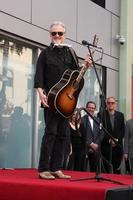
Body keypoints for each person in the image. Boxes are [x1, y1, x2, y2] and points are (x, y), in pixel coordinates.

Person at [34, 21, 92, 180]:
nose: (57, 36)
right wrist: (40, 92)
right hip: (51, 100)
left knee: (63, 134)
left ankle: (56, 168)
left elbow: (76, 76)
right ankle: (43, 168)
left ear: (64, 35)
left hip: (67, 102)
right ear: (50, 35)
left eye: (60, 33)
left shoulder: (71, 53)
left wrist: (85, 67)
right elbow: (39, 74)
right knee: (50, 133)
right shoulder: (45, 53)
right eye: (54, 33)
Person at [101, 97, 125, 174]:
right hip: (106, 146)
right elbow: (101, 130)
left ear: (115, 104)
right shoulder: (102, 114)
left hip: (117, 146)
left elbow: (122, 130)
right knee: (106, 168)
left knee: (116, 169)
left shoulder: (120, 115)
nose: (110, 104)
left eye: (112, 103)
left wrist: (117, 139)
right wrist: (109, 139)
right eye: (109, 103)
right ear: (106, 104)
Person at [81, 101, 103, 172]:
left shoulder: (98, 120)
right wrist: (90, 143)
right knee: (83, 170)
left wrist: (96, 144)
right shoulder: (81, 120)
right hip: (85, 148)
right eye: (89, 107)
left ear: (95, 109)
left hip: (96, 149)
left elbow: (102, 133)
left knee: (94, 170)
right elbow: (80, 134)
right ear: (86, 108)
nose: (91, 109)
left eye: (93, 108)